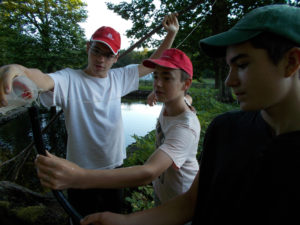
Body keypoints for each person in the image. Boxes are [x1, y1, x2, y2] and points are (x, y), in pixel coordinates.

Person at [76, 4, 300, 225]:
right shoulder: (225, 130)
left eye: (242, 65)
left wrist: (78, 177)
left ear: (291, 62)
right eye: (229, 67)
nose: (228, 81)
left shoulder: (194, 127)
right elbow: (191, 202)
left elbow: (150, 171)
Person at [0, 14, 179, 221]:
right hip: (77, 172)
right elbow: (42, 79)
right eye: (96, 51)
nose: (101, 59)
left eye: (108, 54)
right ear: (88, 48)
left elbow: (152, 63)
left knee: (113, 219)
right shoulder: (69, 78)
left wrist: (171, 34)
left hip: (114, 171)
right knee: (81, 219)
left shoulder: (120, 77)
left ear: (116, 58)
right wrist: (20, 70)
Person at [35, 48, 200, 211]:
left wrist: (78, 177)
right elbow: (186, 98)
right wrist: (165, 93)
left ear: (185, 84)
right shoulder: (173, 106)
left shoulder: (185, 128)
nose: (157, 83)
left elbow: (149, 172)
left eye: (167, 78)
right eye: (156, 76)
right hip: (164, 197)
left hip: (183, 203)